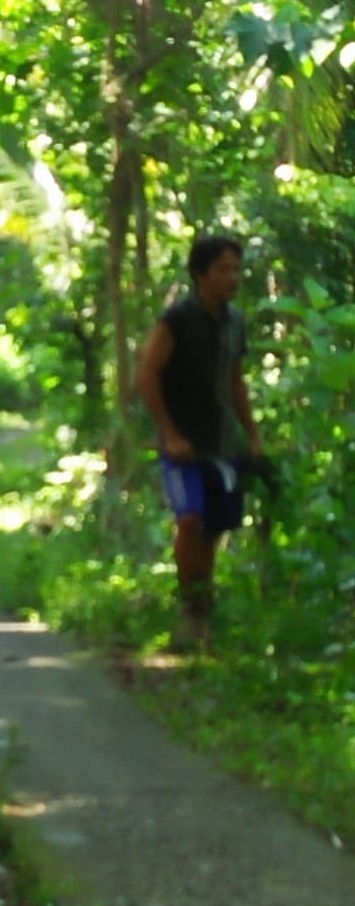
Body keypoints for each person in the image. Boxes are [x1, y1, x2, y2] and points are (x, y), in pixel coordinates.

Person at [137, 233, 263, 648]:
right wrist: (170, 432)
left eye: (236, 269)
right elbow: (147, 375)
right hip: (182, 445)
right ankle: (189, 610)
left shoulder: (236, 322)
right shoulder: (176, 320)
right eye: (223, 269)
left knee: (213, 528)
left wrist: (253, 433)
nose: (232, 277)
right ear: (200, 273)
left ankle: (202, 611)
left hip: (223, 443)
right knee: (188, 521)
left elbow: (235, 380)